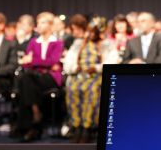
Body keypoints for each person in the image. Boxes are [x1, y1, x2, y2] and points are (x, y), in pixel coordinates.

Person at [64, 14, 118, 143]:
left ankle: (88, 127)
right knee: (72, 89)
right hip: (79, 75)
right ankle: (77, 125)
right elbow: (69, 61)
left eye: (95, 31)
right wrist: (74, 68)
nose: (92, 34)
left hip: (97, 76)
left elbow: (113, 61)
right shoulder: (79, 43)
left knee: (92, 91)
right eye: (90, 31)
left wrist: (97, 68)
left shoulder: (107, 44)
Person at [16, 12, 64, 142]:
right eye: (38, 23)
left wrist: (33, 61)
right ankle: (36, 115)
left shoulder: (58, 42)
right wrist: (42, 63)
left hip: (51, 77)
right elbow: (26, 63)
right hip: (34, 77)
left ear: (50, 25)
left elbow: (53, 61)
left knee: (26, 81)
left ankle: (28, 126)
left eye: (42, 22)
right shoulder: (33, 42)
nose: (39, 25)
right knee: (26, 79)